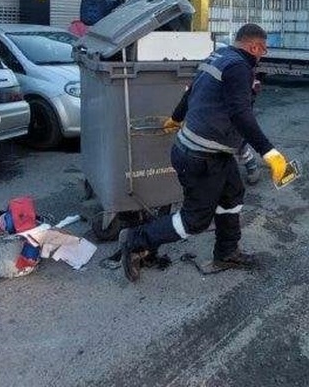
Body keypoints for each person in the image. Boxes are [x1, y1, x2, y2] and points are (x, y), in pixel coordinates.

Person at [120, 23, 294, 283]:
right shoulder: (239, 67)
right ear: (253, 46)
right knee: (195, 220)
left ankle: (227, 252)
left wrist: (176, 117)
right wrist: (268, 151)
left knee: (232, 197)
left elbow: (191, 90)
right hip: (200, 157)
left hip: (210, 152)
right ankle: (136, 240)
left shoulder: (218, 55)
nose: (263, 55)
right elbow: (240, 112)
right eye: (263, 49)